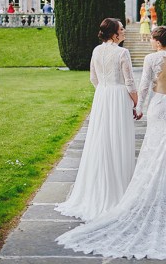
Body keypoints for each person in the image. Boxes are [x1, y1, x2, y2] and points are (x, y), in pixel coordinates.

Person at [56, 26, 166, 259]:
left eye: (152, 39)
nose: (149, 41)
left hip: (157, 105)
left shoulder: (149, 58)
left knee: (153, 147)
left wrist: (139, 106)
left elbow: (144, 85)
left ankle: (149, 184)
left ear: (158, 42)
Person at [55, 18, 138, 221]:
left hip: (102, 95)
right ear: (114, 34)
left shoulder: (96, 51)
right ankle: (120, 189)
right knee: (119, 140)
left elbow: (93, 78)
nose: (124, 30)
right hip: (118, 97)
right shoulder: (122, 53)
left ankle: (99, 186)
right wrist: (136, 103)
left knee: (101, 140)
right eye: (121, 29)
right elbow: (129, 81)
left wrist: (103, 91)